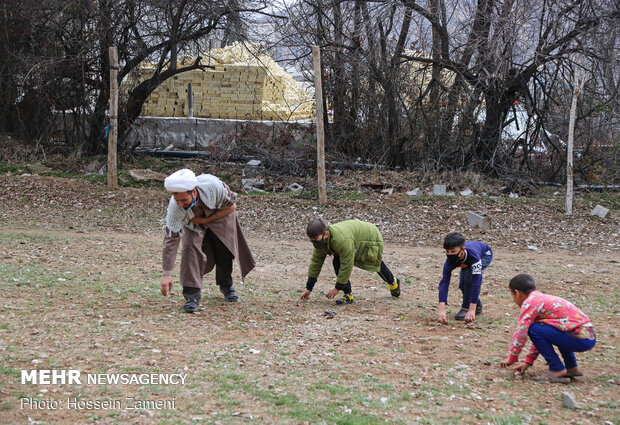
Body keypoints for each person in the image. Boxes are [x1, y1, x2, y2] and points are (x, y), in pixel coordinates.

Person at [160, 169, 255, 312]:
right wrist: (166, 273)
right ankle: (191, 297)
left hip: (220, 212)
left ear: (194, 192)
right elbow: (171, 239)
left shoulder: (214, 188)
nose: (180, 204)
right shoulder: (176, 208)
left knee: (224, 248)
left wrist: (204, 220)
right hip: (192, 221)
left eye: (184, 200)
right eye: (177, 200)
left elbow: (231, 207)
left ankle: (227, 286)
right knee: (190, 247)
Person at [500, 274, 596, 384]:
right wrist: (528, 361)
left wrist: (512, 357)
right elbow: (543, 337)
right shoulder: (542, 299)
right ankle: (571, 367)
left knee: (533, 329)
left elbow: (521, 331)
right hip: (588, 336)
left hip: (579, 338)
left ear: (517, 293)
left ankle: (557, 369)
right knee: (557, 329)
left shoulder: (530, 302)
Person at [300, 218, 400, 305]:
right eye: (311, 240)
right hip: (353, 236)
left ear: (326, 234)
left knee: (374, 263)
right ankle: (348, 295)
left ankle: (393, 282)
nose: (314, 243)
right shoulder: (321, 242)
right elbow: (316, 262)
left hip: (369, 237)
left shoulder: (341, 240)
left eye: (316, 239)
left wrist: (337, 288)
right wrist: (309, 288)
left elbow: (347, 264)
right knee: (337, 261)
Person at [437, 232, 493, 323]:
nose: (450, 254)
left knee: (469, 274)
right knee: (463, 285)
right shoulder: (449, 261)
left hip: (485, 254)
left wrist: (471, 309)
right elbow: (444, 282)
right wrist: (442, 309)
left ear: (462, 250)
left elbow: (476, 282)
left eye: (453, 251)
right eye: (447, 251)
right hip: (464, 260)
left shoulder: (474, 257)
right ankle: (478, 305)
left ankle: (466, 307)